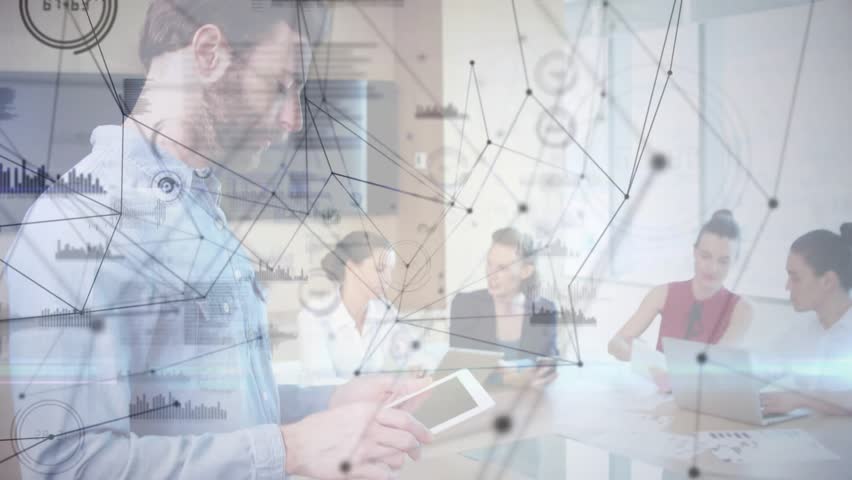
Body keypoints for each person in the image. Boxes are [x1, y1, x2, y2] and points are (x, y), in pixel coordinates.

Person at [3, 2, 431, 479]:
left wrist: (327, 402)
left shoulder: (200, 209)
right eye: (280, 86)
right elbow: (65, 465)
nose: (292, 119)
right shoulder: (82, 223)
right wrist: (291, 449)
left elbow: (212, 408)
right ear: (208, 53)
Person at [608, 210, 753, 361]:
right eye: (705, 256)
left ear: (735, 261)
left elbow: (715, 363)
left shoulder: (742, 309)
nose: (713, 268)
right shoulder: (662, 294)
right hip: (658, 382)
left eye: (723, 261)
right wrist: (636, 353)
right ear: (695, 253)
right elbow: (615, 343)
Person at [299, 231, 420, 381]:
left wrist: (415, 368)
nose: (388, 279)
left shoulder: (384, 311)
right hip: (337, 404)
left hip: (378, 401)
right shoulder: (315, 316)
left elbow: (413, 356)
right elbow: (322, 388)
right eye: (379, 269)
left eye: (390, 271)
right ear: (351, 268)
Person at [759, 224, 852, 416]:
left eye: (795, 278)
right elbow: (763, 367)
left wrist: (802, 399)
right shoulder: (801, 331)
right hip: (809, 435)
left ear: (828, 281)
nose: (787, 287)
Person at [449, 227, 559, 387]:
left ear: (525, 271)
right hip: (480, 405)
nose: (491, 275)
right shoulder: (465, 304)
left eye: (502, 268)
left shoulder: (545, 310)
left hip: (529, 403)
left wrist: (517, 369)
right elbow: (458, 370)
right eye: (489, 264)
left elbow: (549, 363)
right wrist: (514, 378)